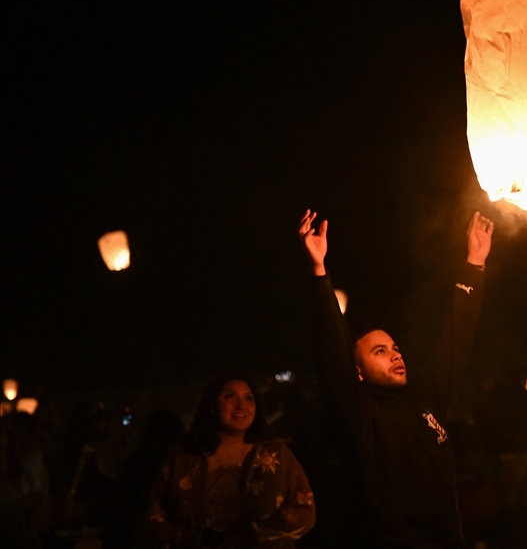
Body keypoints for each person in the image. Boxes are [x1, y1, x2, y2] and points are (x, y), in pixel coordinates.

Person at [300, 209, 493, 548]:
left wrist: (475, 264)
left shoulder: (424, 397)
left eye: (394, 348)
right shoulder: (359, 415)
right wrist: (319, 273)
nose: (395, 354)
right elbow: (332, 350)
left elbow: (456, 340)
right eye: (380, 352)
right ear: (357, 372)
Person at [144, 373, 315, 548]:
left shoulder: (276, 455)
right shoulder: (181, 461)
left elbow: (304, 510)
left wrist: (251, 537)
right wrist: (197, 538)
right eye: (230, 396)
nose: (241, 405)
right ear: (211, 405)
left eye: (249, 398)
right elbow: (153, 518)